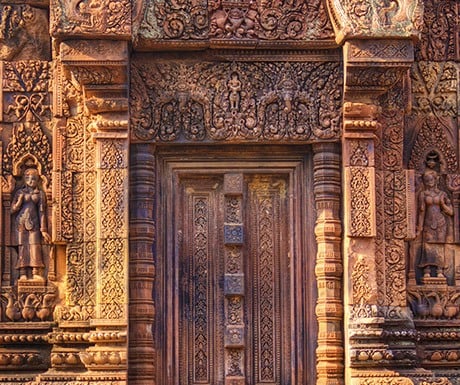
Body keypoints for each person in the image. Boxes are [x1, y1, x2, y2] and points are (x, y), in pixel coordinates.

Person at [11, 168, 50, 281]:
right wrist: (19, 202)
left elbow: (42, 212)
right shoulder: (20, 193)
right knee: (23, 247)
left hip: (35, 224)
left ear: (37, 180)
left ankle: (36, 272)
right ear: (24, 179)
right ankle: (23, 272)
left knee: (35, 246)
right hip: (21, 223)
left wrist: (43, 229)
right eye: (28, 178)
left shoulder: (40, 194)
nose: (31, 181)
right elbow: (12, 210)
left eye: (34, 178)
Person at [416, 168, 454, 278]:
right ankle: (426, 270)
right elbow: (421, 212)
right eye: (426, 180)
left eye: (431, 179)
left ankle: (439, 270)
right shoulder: (423, 194)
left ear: (435, 180)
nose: (429, 182)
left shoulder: (442, 194)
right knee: (427, 245)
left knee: (439, 246)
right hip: (428, 222)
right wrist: (420, 228)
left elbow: (451, 212)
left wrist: (442, 204)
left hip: (441, 223)